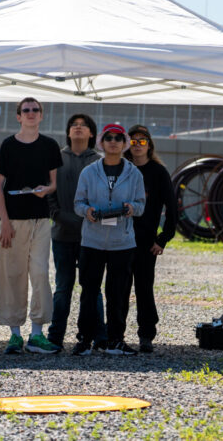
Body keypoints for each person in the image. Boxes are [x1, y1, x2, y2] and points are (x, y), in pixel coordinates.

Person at [0, 97, 63, 354]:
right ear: (19, 116)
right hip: (13, 220)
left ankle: (36, 333)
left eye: (36, 109)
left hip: (41, 220)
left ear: (41, 115)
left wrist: (47, 190)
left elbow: (53, 184)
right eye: (26, 110)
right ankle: (14, 334)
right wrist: (5, 222)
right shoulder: (9, 145)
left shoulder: (50, 145)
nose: (31, 113)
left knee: (40, 273)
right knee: (12, 275)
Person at [72, 123, 146, 356]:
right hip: (92, 241)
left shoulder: (134, 174)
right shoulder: (88, 172)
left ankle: (115, 340)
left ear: (125, 144)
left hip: (122, 243)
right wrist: (88, 212)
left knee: (118, 293)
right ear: (101, 143)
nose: (113, 142)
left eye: (118, 138)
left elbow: (142, 205)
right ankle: (85, 339)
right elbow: (77, 204)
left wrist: (131, 208)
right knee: (89, 291)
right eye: (108, 137)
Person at [46, 114, 106, 351]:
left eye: (84, 126)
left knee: (92, 288)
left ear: (92, 134)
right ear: (68, 132)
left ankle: (97, 335)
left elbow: (104, 197)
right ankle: (55, 336)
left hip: (92, 237)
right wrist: (60, 216)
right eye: (74, 125)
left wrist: (88, 222)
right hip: (61, 234)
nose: (78, 128)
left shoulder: (99, 162)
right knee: (63, 287)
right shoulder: (55, 158)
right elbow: (49, 193)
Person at [123, 124, 179, 353]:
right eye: (133, 141)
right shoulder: (121, 169)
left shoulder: (158, 172)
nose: (137, 145)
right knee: (119, 289)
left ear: (149, 145)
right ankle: (115, 334)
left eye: (142, 141)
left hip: (146, 242)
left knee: (144, 288)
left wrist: (163, 238)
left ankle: (146, 335)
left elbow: (173, 209)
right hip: (120, 239)